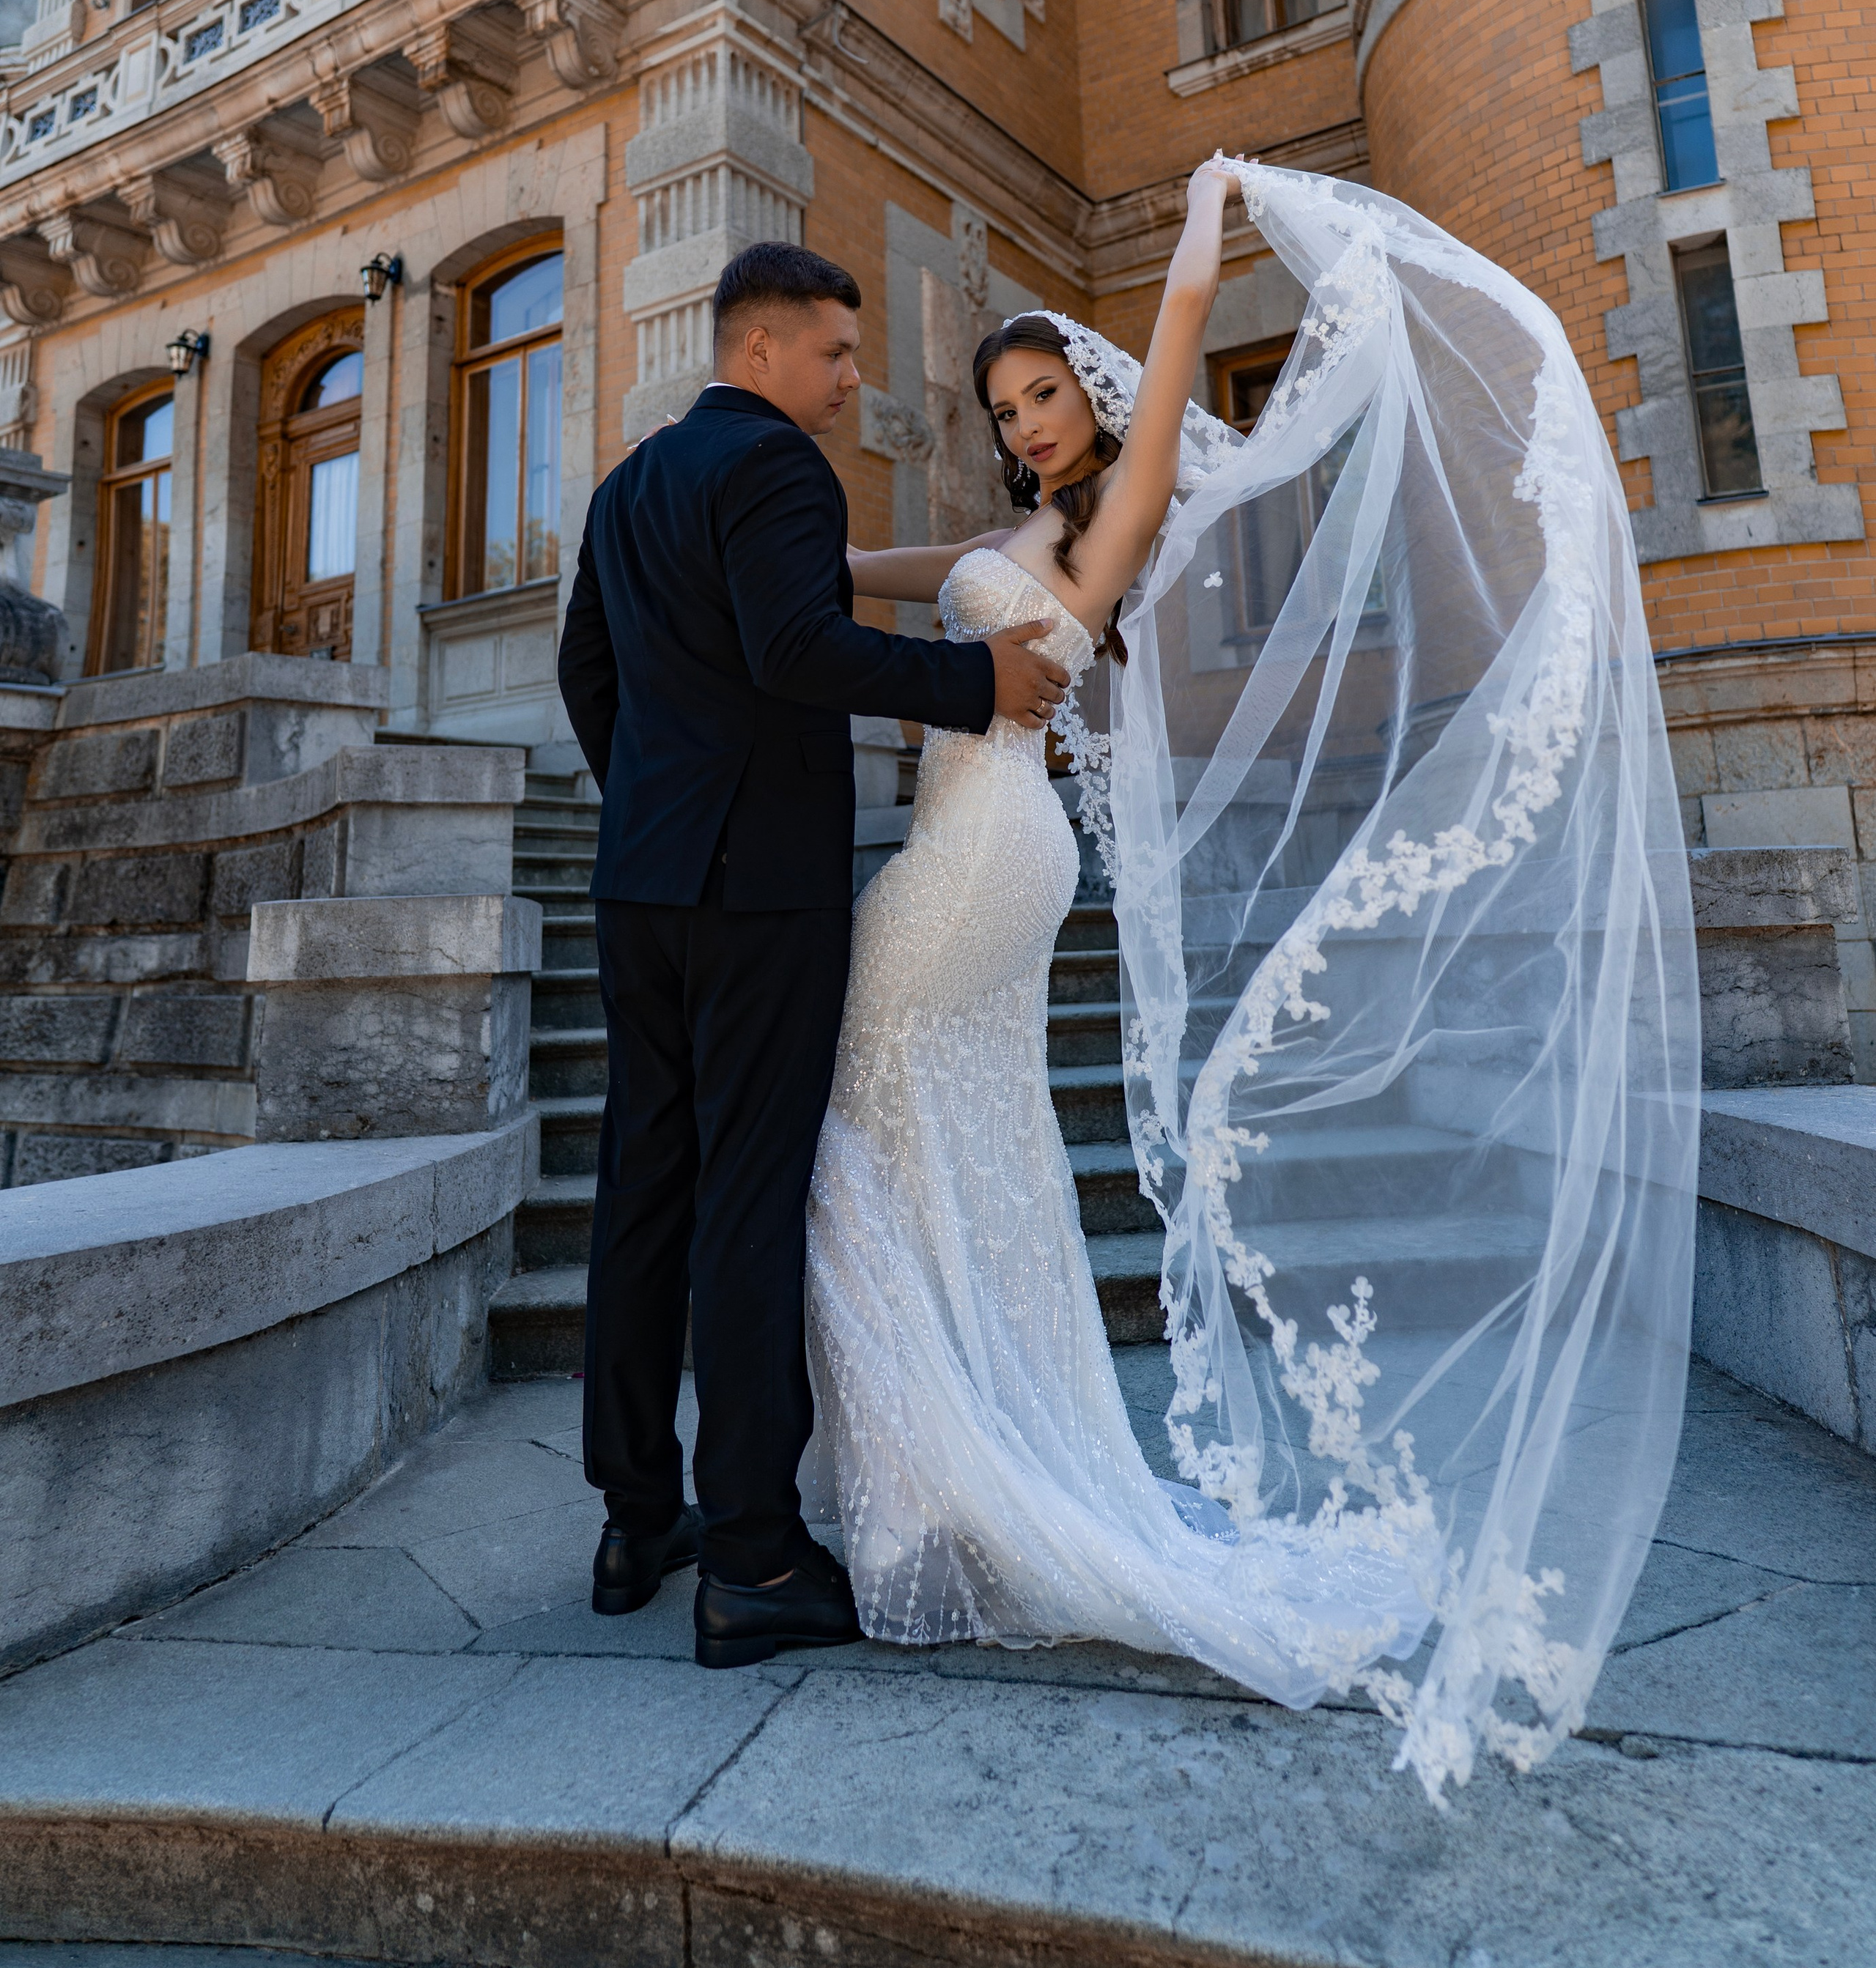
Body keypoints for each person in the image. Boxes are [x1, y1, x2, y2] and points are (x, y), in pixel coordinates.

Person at [804, 152, 1698, 1801]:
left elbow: (1165, 367)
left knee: (850, 1127)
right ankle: (955, 1470)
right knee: (946, 1141)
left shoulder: (1118, 510)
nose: (1025, 426)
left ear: (1090, 386)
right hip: (1002, 849)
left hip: (981, 852)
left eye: (1042, 395)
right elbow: (931, 566)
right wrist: (797, 557)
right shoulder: (1019, 532)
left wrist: (1204, 221)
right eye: (1002, 408)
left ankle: (943, 1481)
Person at [556, 240, 1071, 1670]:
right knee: (746, 1201)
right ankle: (752, 1553)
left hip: (642, 886)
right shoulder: (776, 468)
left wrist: (656, 807)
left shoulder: (628, 483)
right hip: (756, 893)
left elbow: (586, 672)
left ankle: (631, 1514)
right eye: (834, 353)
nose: (851, 379)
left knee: (642, 1185)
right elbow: (796, 646)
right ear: (757, 350)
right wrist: (973, 677)